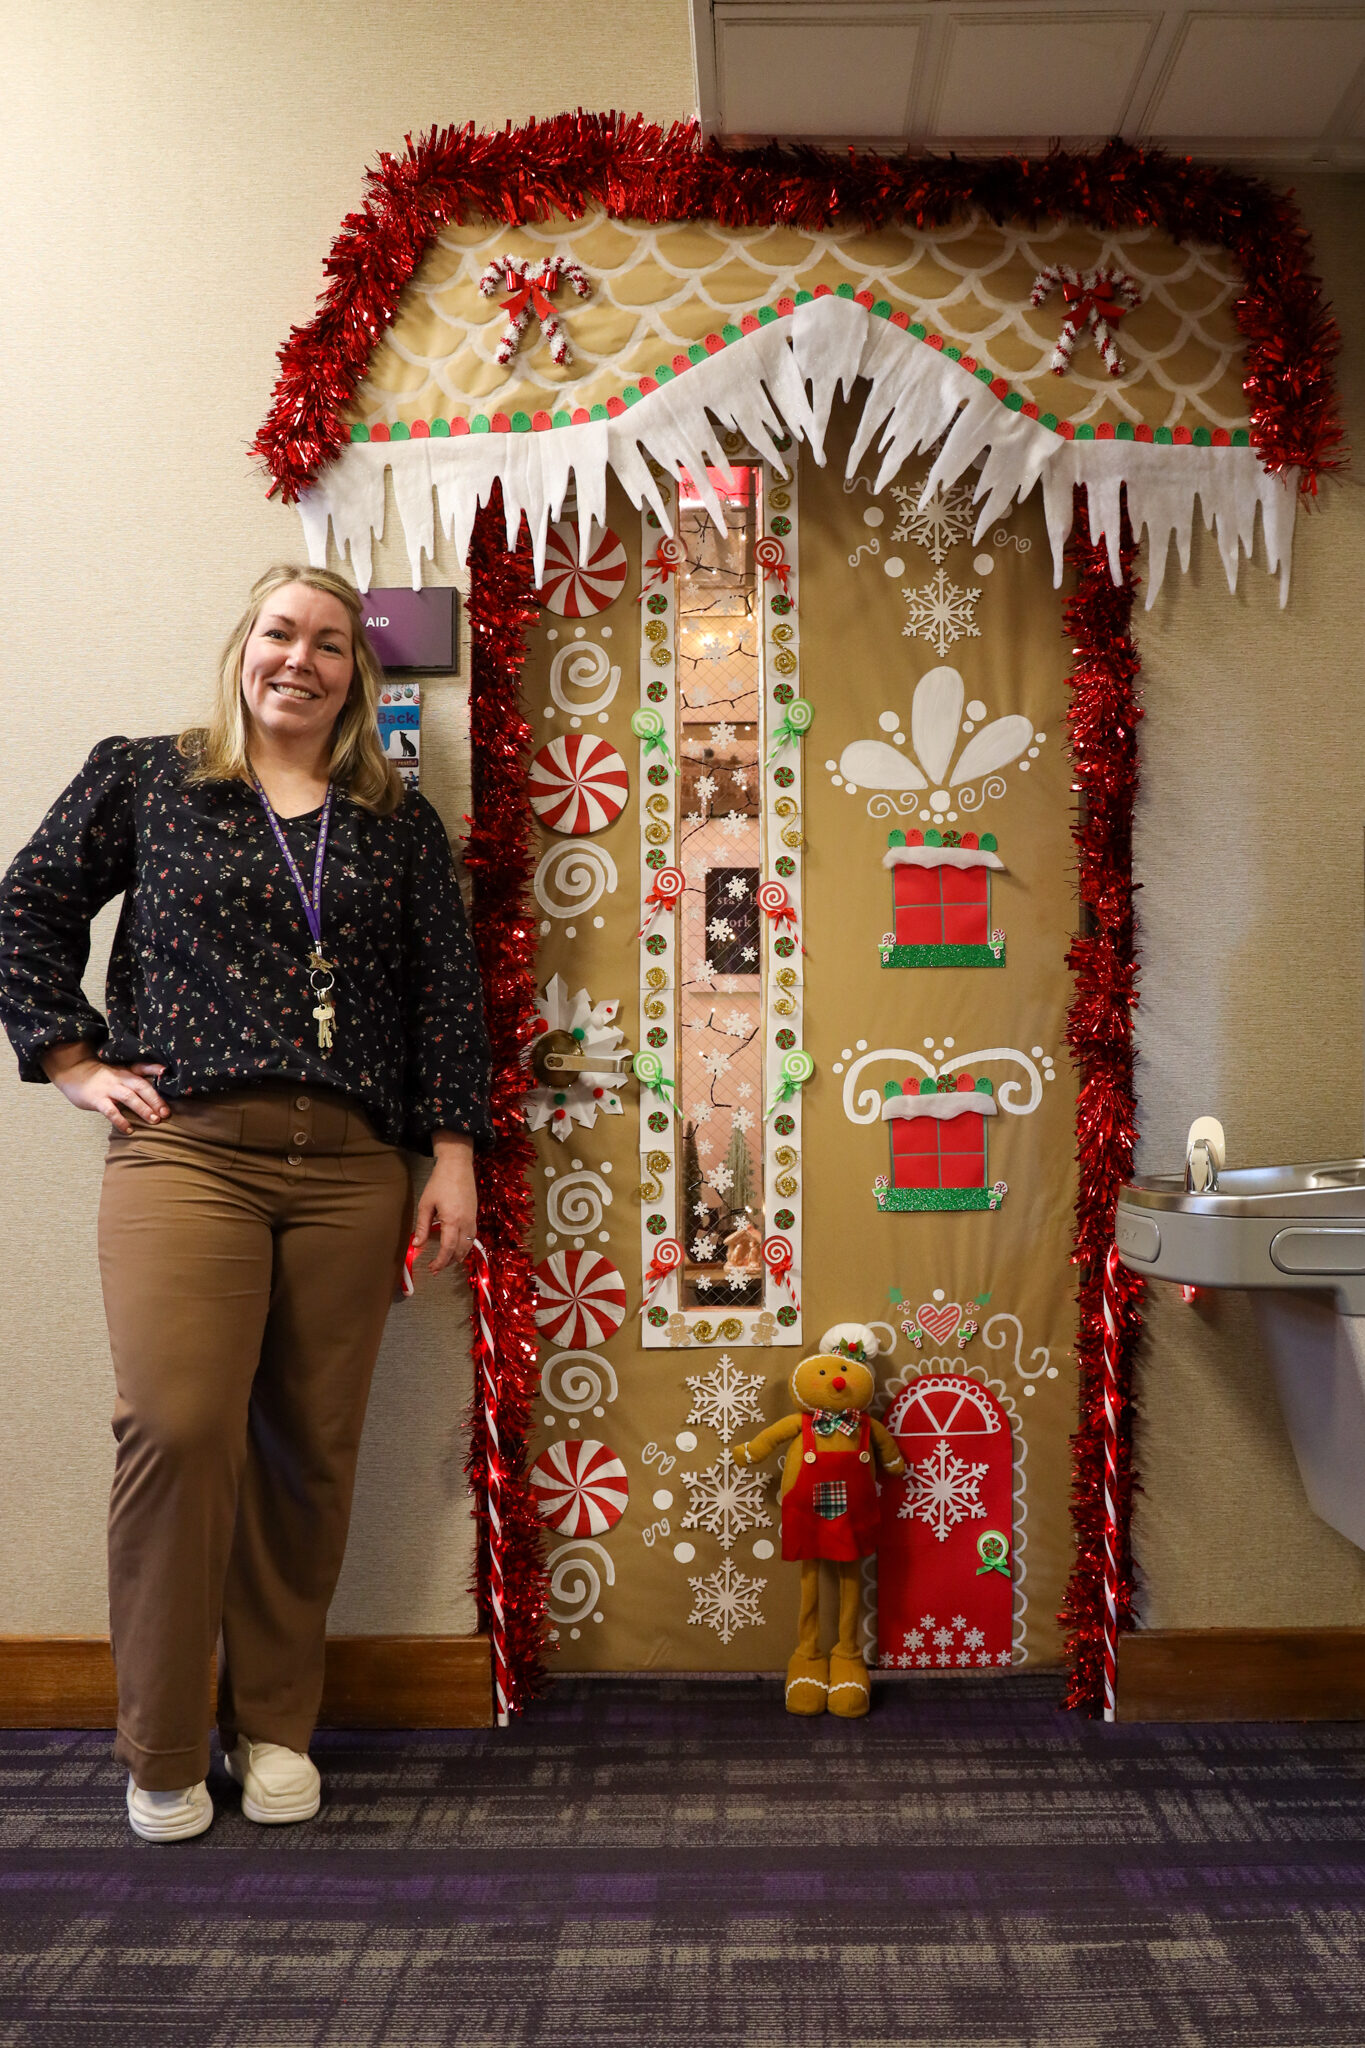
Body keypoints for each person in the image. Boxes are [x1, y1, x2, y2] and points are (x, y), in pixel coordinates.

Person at [0, 565, 491, 1842]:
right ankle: (162, 1740)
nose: (301, 659)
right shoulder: (151, 778)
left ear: (357, 675)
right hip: (190, 1152)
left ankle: (275, 1724)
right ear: (243, 647)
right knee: (177, 1426)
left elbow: (446, 990)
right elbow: (28, 904)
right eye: (281, 632)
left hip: (352, 1166)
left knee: (307, 1448)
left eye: (331, 643)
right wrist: (72, 1056)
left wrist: (451, 1153)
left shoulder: (395, 825)